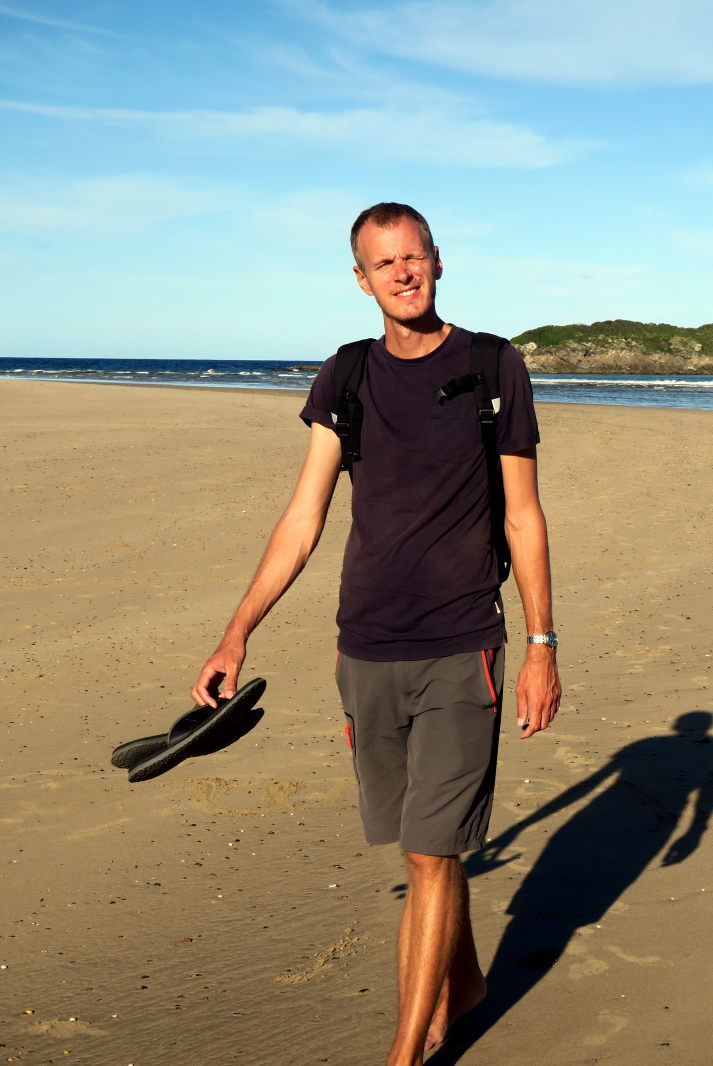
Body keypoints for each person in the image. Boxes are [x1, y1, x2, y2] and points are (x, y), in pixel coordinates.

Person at [190, 202, 561, 1066]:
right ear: (360, 280)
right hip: (364, 650)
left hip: (462, 645)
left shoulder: (492, 366)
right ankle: (465, 984)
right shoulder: (346, 376)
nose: (403, 272)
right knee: (423, 843)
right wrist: (236, 633)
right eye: (383, 262)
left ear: (438, 261)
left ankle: (405, 1053)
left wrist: (541, 648)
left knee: (430, 852)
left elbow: (523, 515)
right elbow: (303, 518)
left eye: (414, 256)